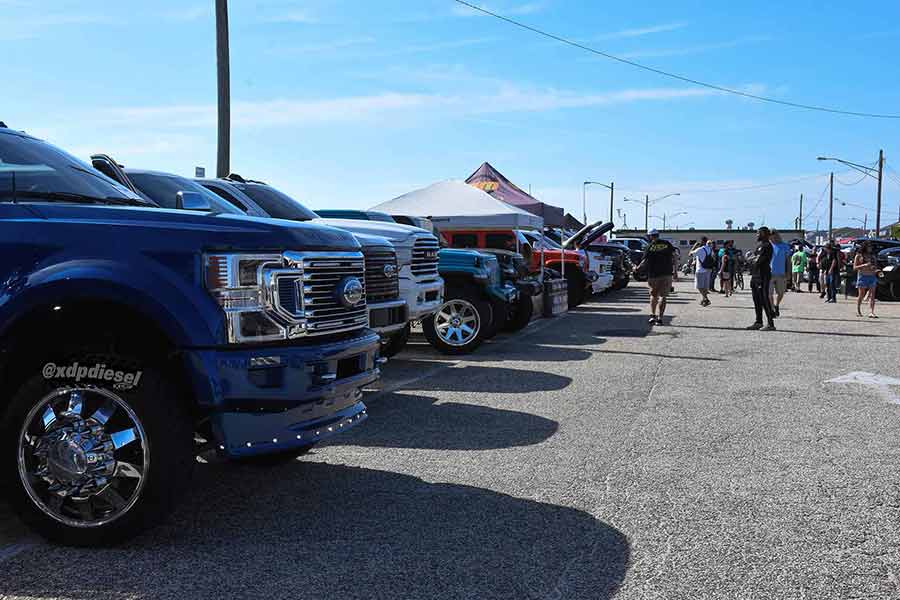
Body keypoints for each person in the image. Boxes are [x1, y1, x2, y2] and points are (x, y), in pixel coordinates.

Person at [636, 229, 677, 325]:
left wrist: (637, 268)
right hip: (667, 273)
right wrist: (675, 271)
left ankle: (652, 315)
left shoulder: (649, 246)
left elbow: (644, 261)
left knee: (654, 295)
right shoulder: (667, 244)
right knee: (663, 296)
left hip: (653, 274)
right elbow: (674, 256)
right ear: (658, 235)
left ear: (650, 236)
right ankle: (660, 318)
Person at [747, 227, 776, 330]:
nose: (757, 235)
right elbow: (753, 260)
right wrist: (752, 260)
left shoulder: (767, 246)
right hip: (755, 275)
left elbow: (758, 261)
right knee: (756, 300)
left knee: (764, 299)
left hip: (763, 275)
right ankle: (758, 322)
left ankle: (770, 324)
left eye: (758, 233)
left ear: (764, 234)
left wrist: (752, 260)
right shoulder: (759, 246)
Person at [853, 241, 879, 318]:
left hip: (872, 276)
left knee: (872, 295)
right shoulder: (858, 256)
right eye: (869, 246)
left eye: (871, 246)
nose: (870, 248)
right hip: (862, 276)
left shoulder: (873, 256)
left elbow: (875, 266)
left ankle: (872, 312)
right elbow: (854, 267)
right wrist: (864, 265)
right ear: (865, 247)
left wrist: (874, 268)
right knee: (861, 294)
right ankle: (858, 310)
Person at [768, 230, 791, 316]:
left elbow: (788, 261)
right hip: (769, 273)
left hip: (781, 273)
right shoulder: (768, 245)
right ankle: (772, 309)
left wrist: (789, 273)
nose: (770, 237)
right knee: (769, 294)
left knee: (781, 293)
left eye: (772, 235)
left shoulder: (784, 246)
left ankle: (776, 305)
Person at [690, 237, 715, 306]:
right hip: (708, 270)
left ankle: (705, 298)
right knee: (705, 287)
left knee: (699, 286)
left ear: (702, 242)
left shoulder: (699, 249)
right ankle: (704, 300)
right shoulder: (710, 249)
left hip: (700, 270)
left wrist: (694, 246)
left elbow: (690, 254)